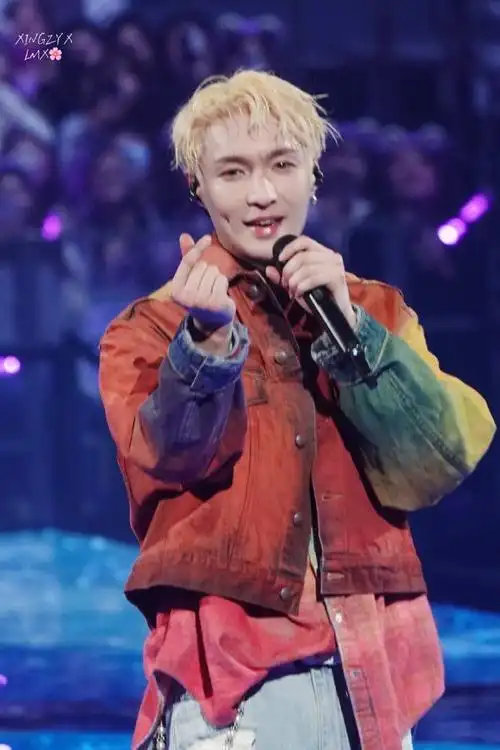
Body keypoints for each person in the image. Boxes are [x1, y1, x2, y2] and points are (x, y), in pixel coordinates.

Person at [98, 70, 496, 750]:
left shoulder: (375, 309)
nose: (263, 193)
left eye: (282, 165)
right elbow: (170, 457)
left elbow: (441, 459)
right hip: (236, 698)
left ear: (313, 176)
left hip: (375, 687)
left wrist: (352, 336)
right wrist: (206, 344)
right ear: (198, 187)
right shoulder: (150, 329)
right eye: (233, 171)